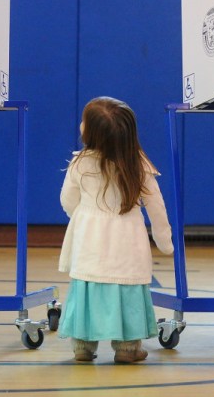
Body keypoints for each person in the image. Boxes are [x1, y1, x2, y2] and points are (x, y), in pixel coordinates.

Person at [58, 97, 174, 363]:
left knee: (88, 287)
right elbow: (157, 206)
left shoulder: (80, 164)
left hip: (89, 240)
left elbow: (67, 200)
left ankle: (83, 348)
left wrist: (81, 217)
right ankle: (127, 349)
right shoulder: (139, 164)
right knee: (127, 290)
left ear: (90, 132)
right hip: (128, 240)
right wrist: (164, 242)